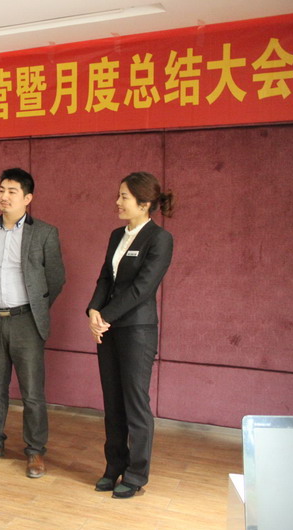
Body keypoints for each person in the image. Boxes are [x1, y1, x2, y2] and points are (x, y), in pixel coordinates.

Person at [0, 168, 65, 479]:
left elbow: (56, 278)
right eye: (1, 190)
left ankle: (35, 450)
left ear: (28, 198)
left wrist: (36, 308)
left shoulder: (44, 232)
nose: (4, 196)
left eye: (12, 191)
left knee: (32, 391)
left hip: (27, 322)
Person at [87, 171, 174, 499]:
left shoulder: (159, 239)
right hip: (108, 329)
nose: (118, 202)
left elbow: (142, 288)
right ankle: (113, 467)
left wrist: (104, 317)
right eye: (119, 195)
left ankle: (136, 474)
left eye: (124, 196)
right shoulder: (116, 236)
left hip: (137, 331)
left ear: (145, 203)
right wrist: (93, 311)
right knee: (112, 403)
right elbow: (105, 279)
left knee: (135, 404)